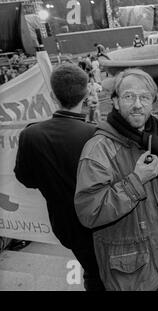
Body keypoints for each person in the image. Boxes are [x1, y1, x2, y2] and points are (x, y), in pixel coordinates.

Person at [74, 68, 158, 290]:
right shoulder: (98, 149)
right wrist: (136, 180)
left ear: (153, 102)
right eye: (129, 96)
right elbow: (89, 211)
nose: (137, 104)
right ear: (116, 102)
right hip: (130, 277)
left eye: (144, 97)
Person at [14, 64, 104, 291]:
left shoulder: (30, 135)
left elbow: (26, 179)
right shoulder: (96, 134)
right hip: (101, 223)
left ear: (53, 96)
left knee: (92, 271)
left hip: (66, 226)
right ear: (86, 94)